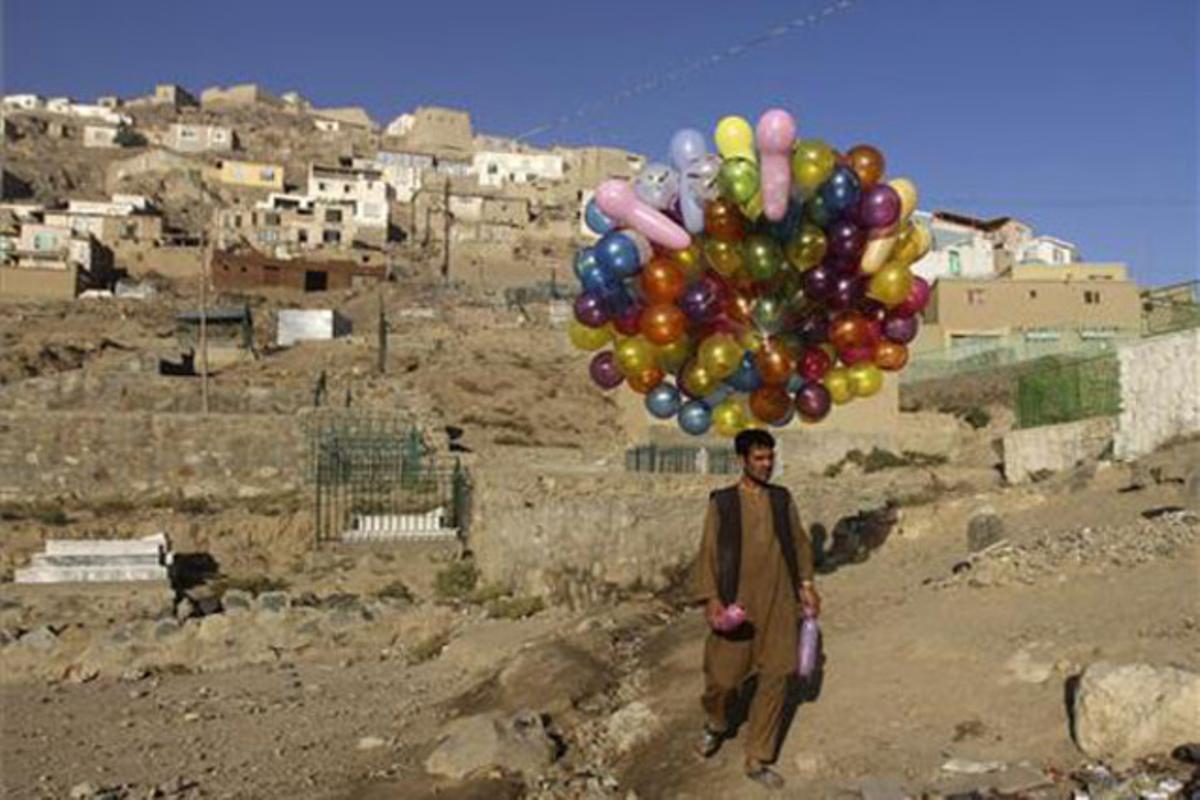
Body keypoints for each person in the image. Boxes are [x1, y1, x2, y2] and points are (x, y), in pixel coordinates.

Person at [690, 428, 820, 790]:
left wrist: (807, 584)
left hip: (780, 600)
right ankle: (716, 722)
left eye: (770, 457)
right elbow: (708, 552)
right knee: (723, 679)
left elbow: (799, 542)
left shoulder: (781, 499)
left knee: (777, 676)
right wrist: (711, 599)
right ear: (742, 460)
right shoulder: (723, 503)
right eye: (759, 458)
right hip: (738, 603)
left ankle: (758, 757)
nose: (766, 464)